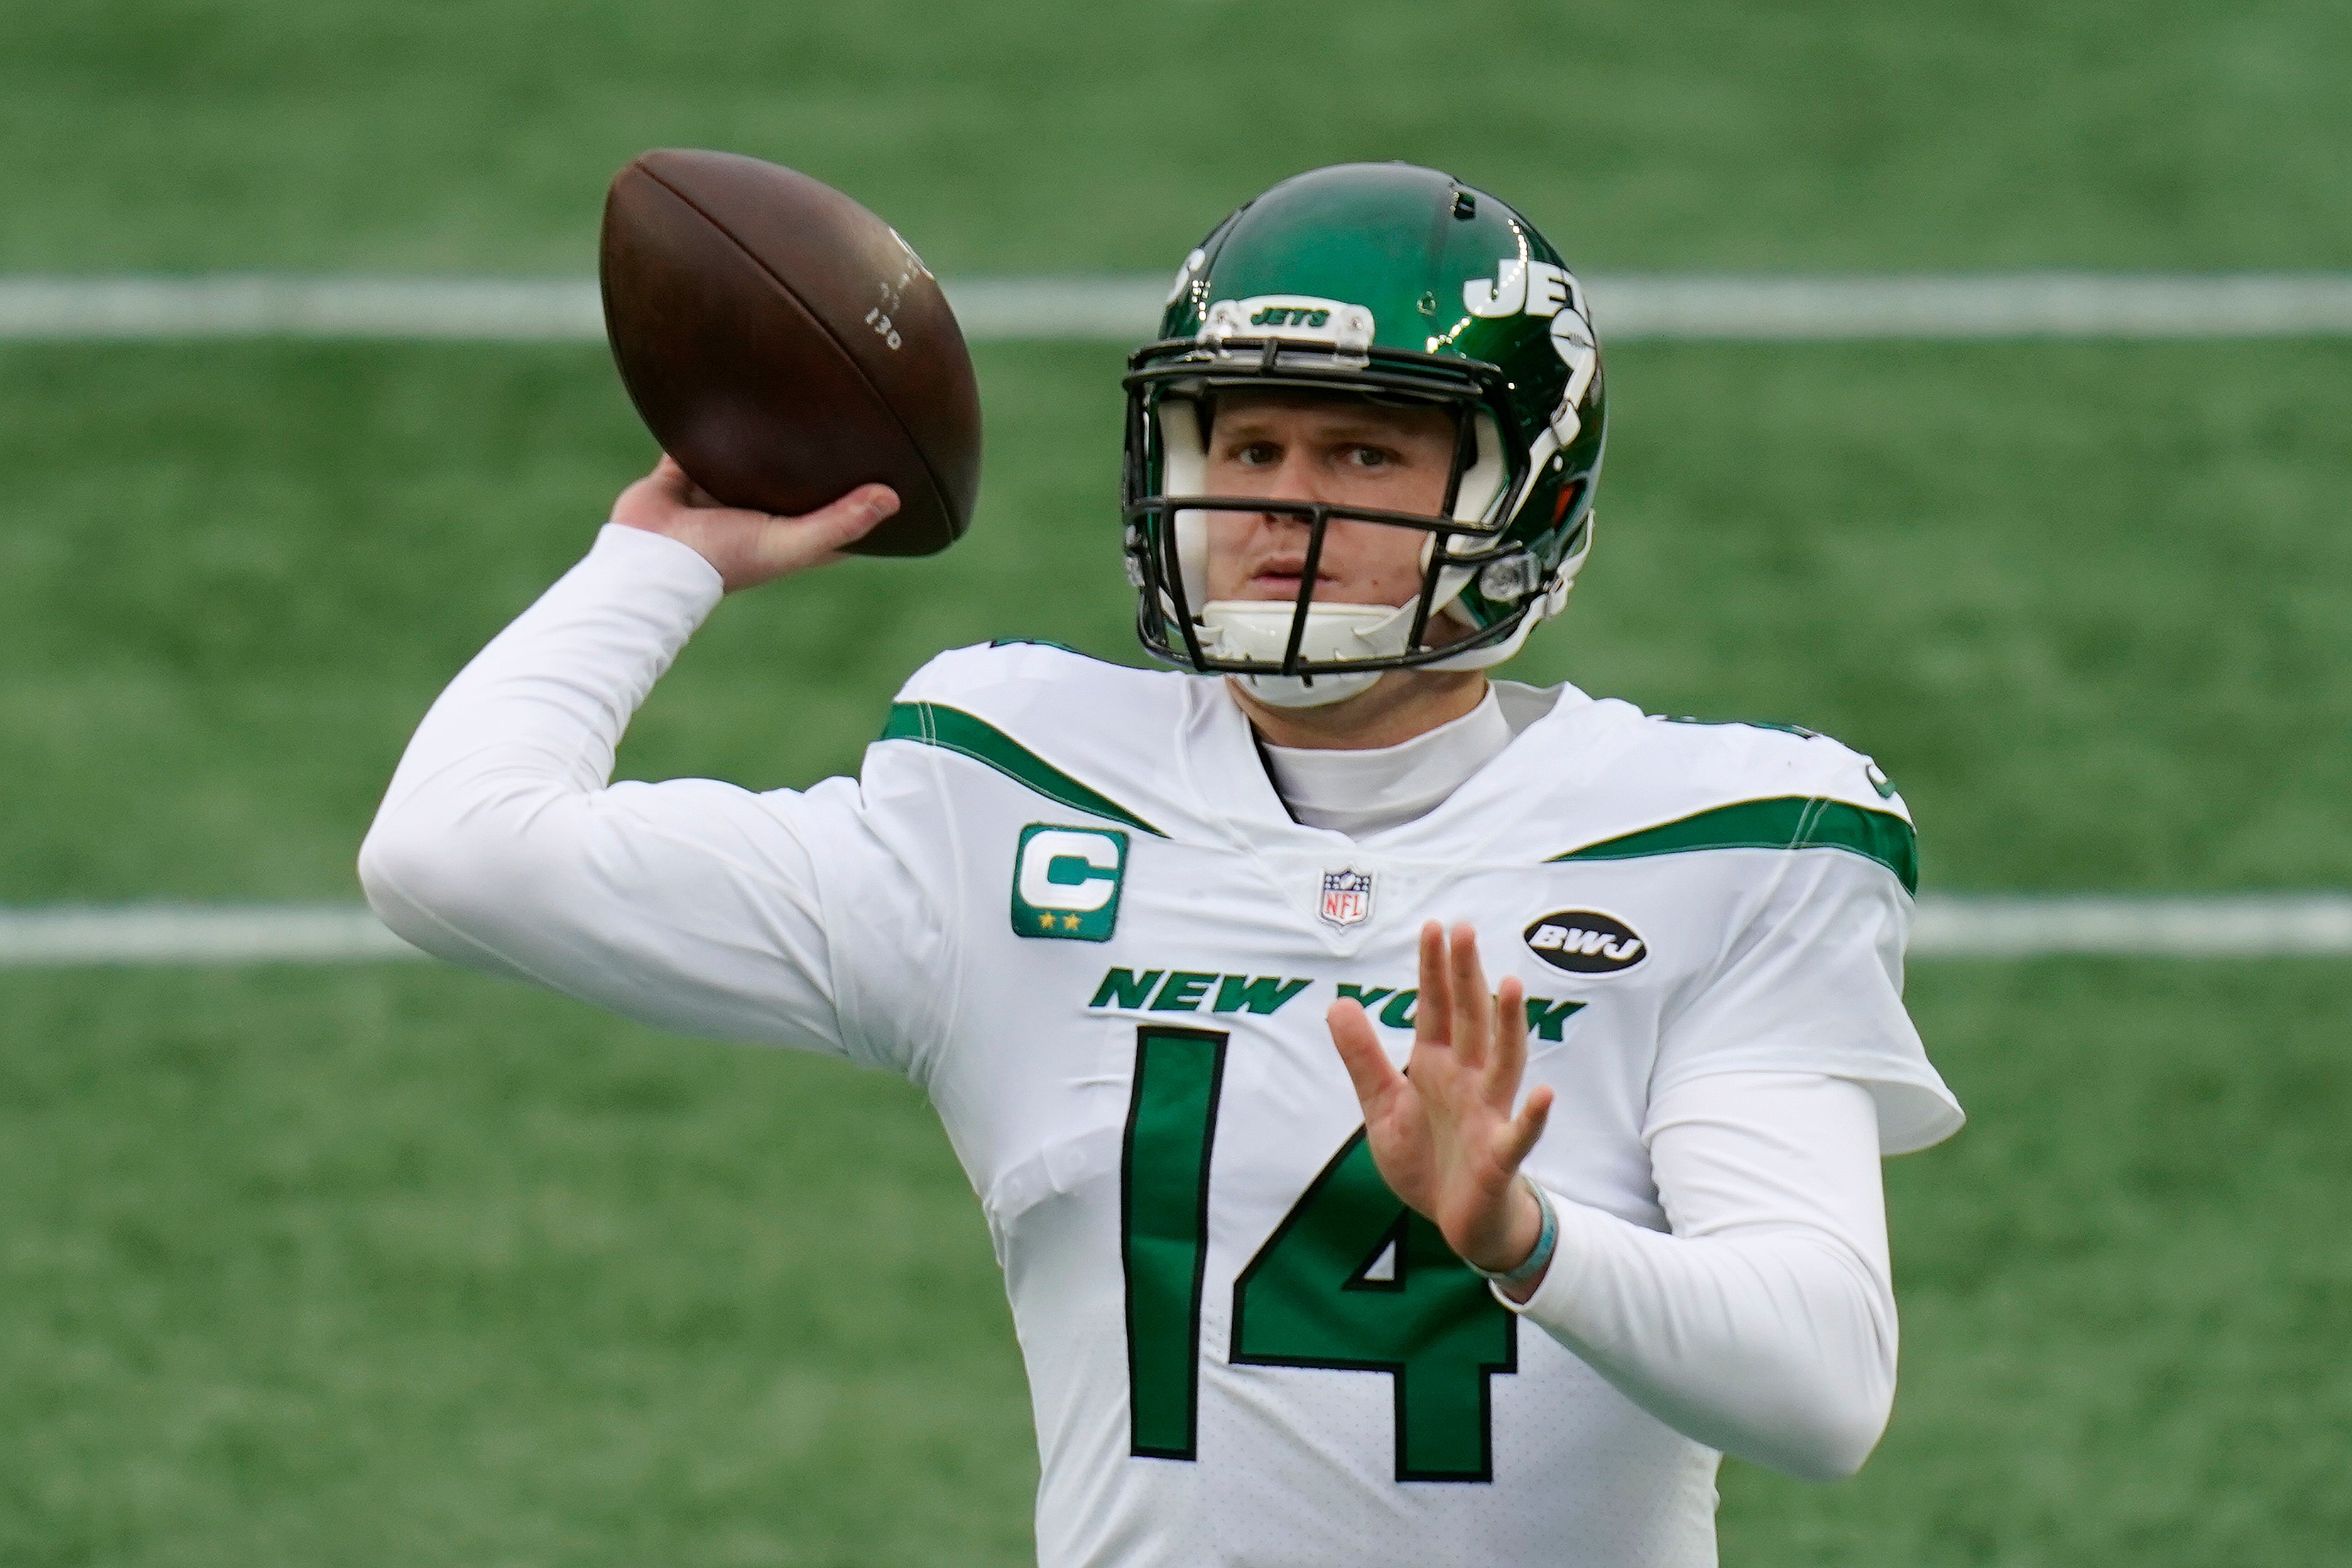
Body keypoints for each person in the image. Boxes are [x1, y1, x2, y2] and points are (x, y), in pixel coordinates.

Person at [361, 162, 1961, 1567]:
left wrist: (1522, 1238)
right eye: (1248, 444)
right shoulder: (1009, 800)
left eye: (1365, 457)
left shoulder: (1726, 843)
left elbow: (1823, 1390)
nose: (1285, 507)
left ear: (1520, 495)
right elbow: (450, 854)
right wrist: (659, 562)